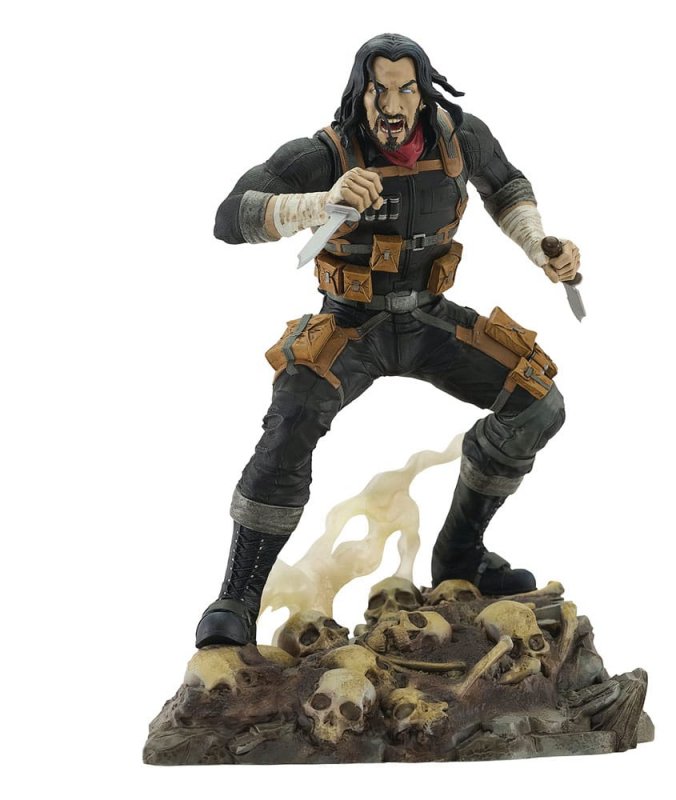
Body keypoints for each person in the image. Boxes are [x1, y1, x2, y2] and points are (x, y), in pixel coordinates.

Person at [195, 33, 581, 648]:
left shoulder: (460, 137)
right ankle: (237, 598)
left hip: (430, 320)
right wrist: (320, 202)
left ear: (423, 92)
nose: (393, 105)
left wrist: (542, 246)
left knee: (538, 405)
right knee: (291, 419)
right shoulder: (325, 151)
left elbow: (506, 185)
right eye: (380, 91)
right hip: (352, 324)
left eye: (406, 89)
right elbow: (230, 216)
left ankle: (459, 557)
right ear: (362, 93)